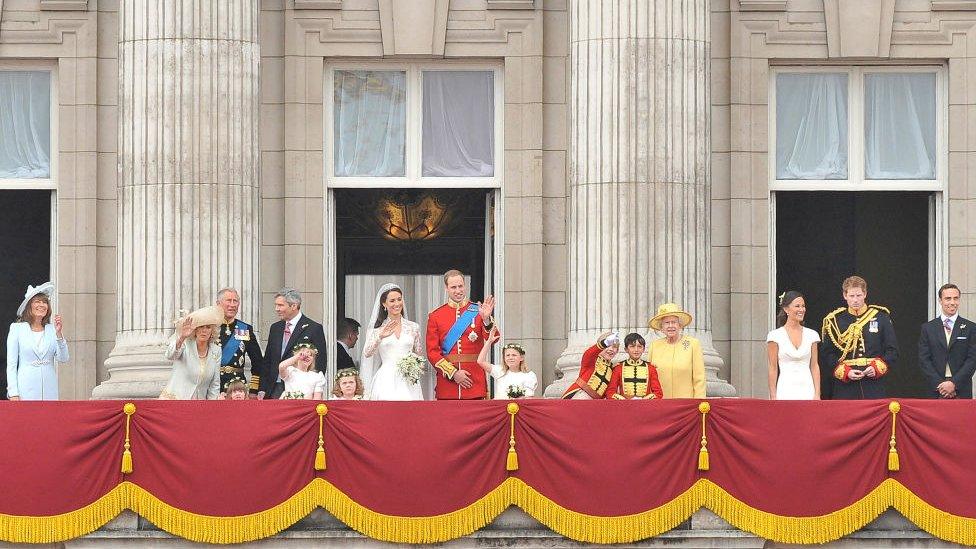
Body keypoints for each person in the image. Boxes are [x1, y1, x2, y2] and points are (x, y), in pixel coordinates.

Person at [820, 276, 898, 400]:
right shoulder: (835, 321)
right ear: (845, 296)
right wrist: (845, 371)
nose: (855, 300)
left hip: (873, 385)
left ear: (865, 294)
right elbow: (827, 354)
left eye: (859, 295)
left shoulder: (881, 317)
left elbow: (892, 350)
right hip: (845, 386)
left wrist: (876, 367)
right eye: (851, 296)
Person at [426, 270, 498, 400]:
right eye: (453, 287)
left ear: (465, 286)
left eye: (460, 286)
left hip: (474, 381)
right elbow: (432, 353)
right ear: (446, 288)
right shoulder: (436, 316)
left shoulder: (478, 311)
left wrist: (487, 319)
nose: (458, 290)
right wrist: (453, 373)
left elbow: (494, 339)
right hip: (448, 385)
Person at [259, 288, 328, 399]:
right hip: (274, 388)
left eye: (281, 305)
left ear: (294, 306)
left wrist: (314, 391)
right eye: (276, 305)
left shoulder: (314, 328)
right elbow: (268, 360)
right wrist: (262, 388)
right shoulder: (275, 328)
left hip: (299, 390)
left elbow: (320, 362)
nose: (277, 309)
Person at [362, 284, 426, 400]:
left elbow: (419, 356)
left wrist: (414, 368)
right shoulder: (377, 330)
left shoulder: (413, 327)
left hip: (408, 379)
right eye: (392, 301)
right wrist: (380, 336)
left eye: (399, 299)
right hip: (386, 378)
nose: (397, 304)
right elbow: (367, 353)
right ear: (384, 304)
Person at [6, 282, 69, 401]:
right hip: (25, 390)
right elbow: (12, 364)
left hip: (50, 390)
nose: (42, 305)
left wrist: (59, 334)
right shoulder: (17, 329)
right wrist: (13, 392)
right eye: (37, 302)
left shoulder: (52, 330)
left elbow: (63, 358)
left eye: (44, 302)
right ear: (29, 306)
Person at [918, 283, 976, 399]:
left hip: (961, 389)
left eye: (956, 298)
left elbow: (972, 359)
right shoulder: (928, 328)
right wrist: (940, 385)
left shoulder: (971, 327)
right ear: (940, 301)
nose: (952, 302)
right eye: (948, 298)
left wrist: (954, 384)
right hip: (936, 389)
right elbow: (924, 359)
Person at [766, 291, 821, 400]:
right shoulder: (775, 336)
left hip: (808, 389)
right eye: (797, 306)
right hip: (785, 389)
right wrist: (773, 395)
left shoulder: (812, 335)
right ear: (786, 309)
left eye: (803, 306)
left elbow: (814, 366)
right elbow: (773, 368)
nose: (801, 310)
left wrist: (817, 394)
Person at [160, 305, 223, 400]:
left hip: (198, 404)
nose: (204, 330)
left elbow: (215, 383)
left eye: (208, 327)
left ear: (212, 331)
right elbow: (170, 355)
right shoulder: (185, 344)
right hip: (176, 400)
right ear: (195, 329)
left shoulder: (216, 350)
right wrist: (181, 337)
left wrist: (212, 406)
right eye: (200, 327)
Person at [647, 303, 706, 399]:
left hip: (686, 404)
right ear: (661, 328)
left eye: (674, 322)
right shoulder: (655, 346)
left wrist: (699, 402)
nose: (670, 326)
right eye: (666, 323)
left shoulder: (692, 344)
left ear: (680, 325)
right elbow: (649, 377)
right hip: (661, 403)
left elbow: (699, 378)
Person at [215, 288, 264, 397]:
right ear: (218, 304)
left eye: (235, 301)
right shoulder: (210, 327)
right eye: (228, 300)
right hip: (213, 385)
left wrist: (253, 390)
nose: (232, 305)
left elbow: (258, 362)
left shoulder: (244, 329)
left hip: (237, 387)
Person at [476, 329, 538, 399]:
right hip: (499, 407)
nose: (510, 358)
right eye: (507, 355)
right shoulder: (499, 371)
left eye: (514, 355)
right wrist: (489, 342)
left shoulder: (529, 375)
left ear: (521, 358)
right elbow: (480, 361)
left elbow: (529, 397)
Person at [562, 332, 621, 399]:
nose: (611, 349)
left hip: (595, 402)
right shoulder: (593, 360)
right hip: (580, 395)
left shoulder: (612, 369)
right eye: (607, 346)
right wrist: (604, 343)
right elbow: (588, 353)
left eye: (614, 347)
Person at [607, 333, 663, 400]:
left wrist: (644, 400)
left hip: (645, 406)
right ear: (626, 349)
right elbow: (610, 392)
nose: (636, 350)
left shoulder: (650, 368)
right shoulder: (618, 368)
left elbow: (658, 393)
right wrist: (624, 400)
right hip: (624, 406)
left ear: (643, 349)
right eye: (632, 346)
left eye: (639, 346)